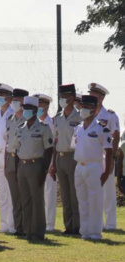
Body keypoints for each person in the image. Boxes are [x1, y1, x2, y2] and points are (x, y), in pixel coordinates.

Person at [73, 94, 114, 240]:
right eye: (82, 106)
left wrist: (107, 171)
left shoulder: (101, 128)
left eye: (87, 106)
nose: (83, 109)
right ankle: (85, 231)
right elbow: (75, 146)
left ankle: (95, 232)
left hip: (94, 166)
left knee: (95, 201)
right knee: (82, 201)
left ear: (94, 108)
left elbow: (109, 150)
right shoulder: (78, 128)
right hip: (79, 167)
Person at [14, 95, 54, 241]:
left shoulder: (43, 127)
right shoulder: (21, 128)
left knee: (37, 200)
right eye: (24, 108)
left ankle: (38, 232)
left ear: (36, 110)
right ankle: (28, 231)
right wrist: (17, 168)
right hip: (22, 166)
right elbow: (17, 150)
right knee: (25, 200)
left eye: (29, 109)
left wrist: (44, 170)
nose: (26, 111)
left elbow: (49, 150)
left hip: (36, 165)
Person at [87, 83, 119, 231]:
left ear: (101, 98)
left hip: (106, 156)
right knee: (94, 190)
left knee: (108, 191)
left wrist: (112, 158)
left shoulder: (110, 115)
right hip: (92, 157)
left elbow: (116, 135)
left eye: (94, 96)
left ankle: (111, 223)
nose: (91, 98)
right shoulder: (87, 114)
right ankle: (96, 222)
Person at [51, 84, 83, 235]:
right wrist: (53, 163)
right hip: (60, 157)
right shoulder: (57, 118)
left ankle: (77, 226)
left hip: (73, 157)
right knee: (64, 194)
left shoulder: (80, 117)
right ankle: (68, 225)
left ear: (72, 97)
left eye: (65, 96)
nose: (62, 99)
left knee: (75, 194)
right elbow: (54, 141)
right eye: (61, 96)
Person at [4, 88, 28, 236]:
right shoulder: (10, 120)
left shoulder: (28, 120)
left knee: (25, 194)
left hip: (23, 159)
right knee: (15, 196)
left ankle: (28, 226)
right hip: (11, 158)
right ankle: (18, 227)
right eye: (13, 100)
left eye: (17, 100)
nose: (14, 103)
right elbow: (7, 142)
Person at [0, 83, 15, 233]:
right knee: (2, 192)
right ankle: (4, 224)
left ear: (9, 98)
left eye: (2, 96)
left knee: (11, 191)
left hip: (9, 155)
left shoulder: (13, 114)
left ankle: (12, 224)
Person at [34, 93, 57, 232]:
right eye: (37, 104)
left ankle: (49, 224)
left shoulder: (52, 123)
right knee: (36, 193)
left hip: (48, 162)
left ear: (47, 106)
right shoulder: (32, 122)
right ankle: (37, 222)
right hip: (35, 161)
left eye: (41, 104)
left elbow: (54, 145)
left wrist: (53, 164)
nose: (38, 107)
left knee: (49, 193)